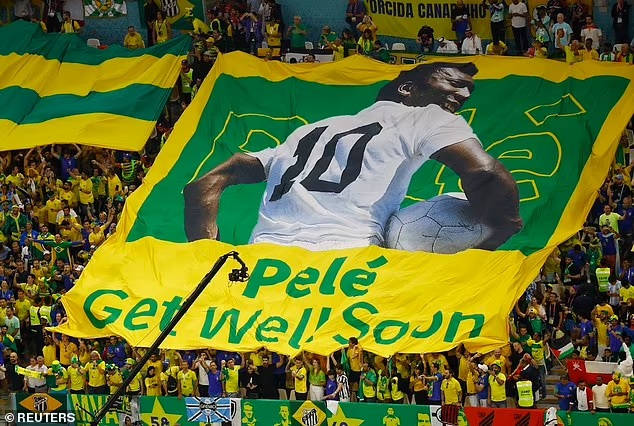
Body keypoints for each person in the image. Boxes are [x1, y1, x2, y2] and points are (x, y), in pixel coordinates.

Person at [183, 63, 523, 252]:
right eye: (453, 83)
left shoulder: (310, 130)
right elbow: (485, 173)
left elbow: (205, 184)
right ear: (407, 89)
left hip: (267, 262)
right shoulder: (426, 117)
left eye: (468, 90)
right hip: (348, 262)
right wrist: (504, 223)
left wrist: (208, 257)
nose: (463, 94)